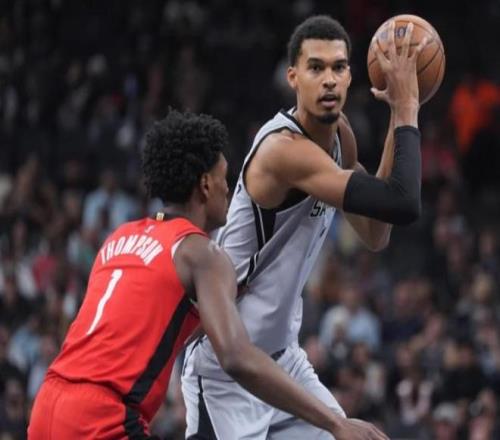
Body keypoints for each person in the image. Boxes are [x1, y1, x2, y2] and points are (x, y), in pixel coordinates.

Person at [27, 109, 387, 439]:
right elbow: (236, 358)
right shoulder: (201, 254)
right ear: (204, 185)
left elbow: (142, 325)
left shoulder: (119, 238)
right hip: (103, 417)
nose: (229, 188)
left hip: (49, 402)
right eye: (223, 177)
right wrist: (334, 422)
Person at [182, 15, 427, 439]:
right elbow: (404, 203)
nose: (329, 79)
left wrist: (394, 114)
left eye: (338, 67)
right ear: (293, 77)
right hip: (228, 370)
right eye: (316, 67)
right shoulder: (283, 151)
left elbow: (376, 232)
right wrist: (408, 109)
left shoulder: (342, 139)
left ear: (350, 76)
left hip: (284, 361)